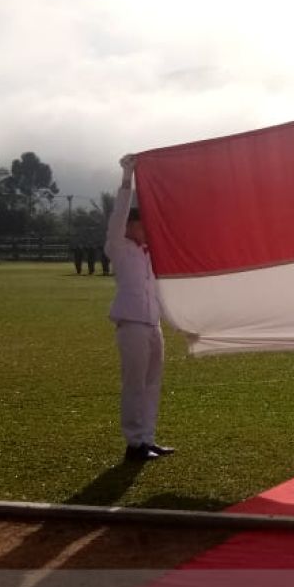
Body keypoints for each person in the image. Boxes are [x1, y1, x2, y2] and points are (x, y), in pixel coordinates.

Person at [106, 155, 173, 462]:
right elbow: (118, 217)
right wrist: (127, 178)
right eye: (141, 224)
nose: (146, 229)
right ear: (131, 226)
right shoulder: (119, 247)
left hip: (151, 323)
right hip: (131, 323)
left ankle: (148, 437)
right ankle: (134, 442)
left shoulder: (149, 254)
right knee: (135, 383)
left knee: (152, 383)